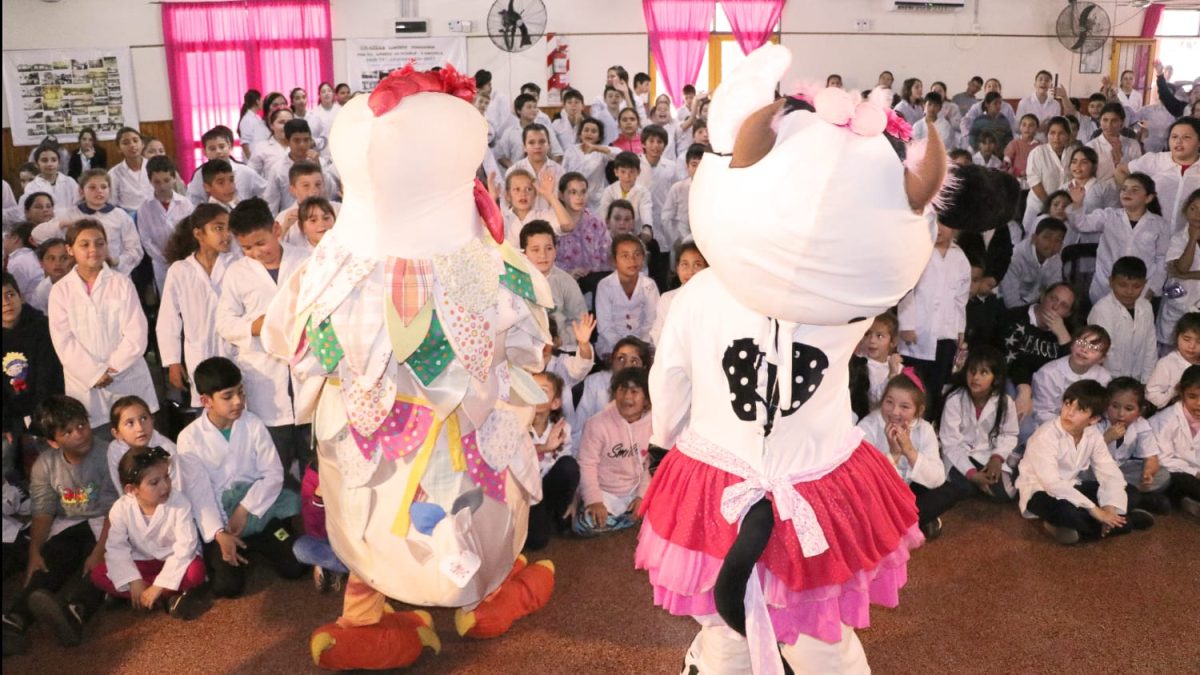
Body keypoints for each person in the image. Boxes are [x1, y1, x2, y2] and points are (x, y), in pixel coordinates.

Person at [176, 356, 303, 598]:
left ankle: (268, 535)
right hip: (222, 519)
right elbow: (199, 494)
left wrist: (244, 509)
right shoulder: (188, 438)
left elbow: (273, 474)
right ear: (205, 401)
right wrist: (219, 534)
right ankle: (236, 545)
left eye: (240, 392)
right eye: (227, 396)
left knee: (295, 567)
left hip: (259, 510)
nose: (238, 401)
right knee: (227, 588)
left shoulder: (253, 423)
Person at [1, 395, 117, 653]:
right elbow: (43, 511)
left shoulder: (108, 453)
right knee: (51, 559)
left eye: (81, 425)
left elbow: (115, 509)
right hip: (70, 524)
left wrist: (99, 551)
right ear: (53, 442)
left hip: (108, 522)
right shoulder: (45, 465)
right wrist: (34, 554)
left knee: (106, 564)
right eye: (68, 432)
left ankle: (76, 611)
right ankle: (15, 619)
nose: (80, 434)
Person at [217, 199, 311, 483]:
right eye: (246, 247)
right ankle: (282, 526)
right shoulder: (237, 272)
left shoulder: (306, 261)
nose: (255, 253)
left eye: (261, 243)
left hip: (306, 371)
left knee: (314, 467)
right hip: (265, 378)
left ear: (276, 229)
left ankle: (315, 524)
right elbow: (225, 322)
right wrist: (254, 327)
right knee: (274, 470)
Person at [47, 220, 157, 436]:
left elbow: (136, 333)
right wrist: (94, 373)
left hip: (126, 377)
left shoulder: (122, 283)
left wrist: (111, 368)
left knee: (138, 441)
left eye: (99, 243)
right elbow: (63, 341)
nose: (93, 250)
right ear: (70, 249)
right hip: (87, 385)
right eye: (84, 244)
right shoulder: (61, 291)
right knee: (99, 445)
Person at [1018, 379, 1155, 545]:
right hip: (1039, 491)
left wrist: (1108, 508)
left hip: (1072, 486)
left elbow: (1109, 472)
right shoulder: (1046, 435)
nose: (1069, 413)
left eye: (1080, 410)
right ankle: (1126, 523)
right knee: (1066, 512)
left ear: (1094, 419)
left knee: (1130, 492)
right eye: (1068, 404)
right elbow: (1052, 483)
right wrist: (1095, 510)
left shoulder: (1092, 435)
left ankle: (1079, 529)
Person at [90, 445, 209, 620]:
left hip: (172, 560)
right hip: (142, 563)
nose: (165, 486)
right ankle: (168, 597)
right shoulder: (120, 509)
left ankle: (149, 596)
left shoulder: (179, 503)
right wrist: (133, 580)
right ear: (131, 489)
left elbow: (185, 547)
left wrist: (159, 585)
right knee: (98, 574)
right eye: (154, 482)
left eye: (166, 477)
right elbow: (117, 548)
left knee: (196, 571)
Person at [158, 205, 236, 411]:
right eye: (218, 228)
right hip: (199, 352)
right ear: (199, 233)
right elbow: (168, 320)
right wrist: (173, 362)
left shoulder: (238, 264)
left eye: (228, 228)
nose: (226, 234)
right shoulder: (180, 270)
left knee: (236, 404)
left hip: (235, 351)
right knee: (206, 411)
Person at [857, 373, 948, 538]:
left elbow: (937, 478)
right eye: (889, 402)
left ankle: (904, 521)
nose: (894, 411)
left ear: (918, 411)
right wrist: (893, 455)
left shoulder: (924, 429)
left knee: (946, 490)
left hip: (909, 492)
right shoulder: (867, 426)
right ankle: (911, 521)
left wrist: (910, 451)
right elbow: (864, 480)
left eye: (905, 407)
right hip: (879, 496)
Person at [899, 221, 970, 421]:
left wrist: (959, 329)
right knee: (911, 386)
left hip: (945, 335)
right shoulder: (920, 251)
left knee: (934, 388)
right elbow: (907, 289)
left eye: (946, 224)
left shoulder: (960, 257)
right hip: (916, 332)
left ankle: (927, 428)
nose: (940, 229)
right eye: (936, 222)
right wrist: (906, 324)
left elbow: (960, 298)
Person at [1066, 173, 1168, 305]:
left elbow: (1162, 260)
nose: (1127, 192)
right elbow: (1080, 224)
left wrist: (1152, 289)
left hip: (1139, 290)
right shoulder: (1109, 215)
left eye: (1135, 190)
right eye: (1124, 189)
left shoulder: (1160, 224)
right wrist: (1077, 203)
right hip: (1105, 287)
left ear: (1148, 198)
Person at [573, 367, 652, 536]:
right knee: (583, 525)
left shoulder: (652, 424)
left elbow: (648, 465)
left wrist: (641, 496)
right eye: (622, 390)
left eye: (634, 391)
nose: (627, 397)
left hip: (635, 489)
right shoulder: (597, 424)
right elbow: (587, 464)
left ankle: (628, 517)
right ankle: (627, 520)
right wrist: (594, 501)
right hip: (606, 492)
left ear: (646, 400)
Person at [1001, 282, 1078, 424]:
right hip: (1012, 381)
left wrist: (1063, 336)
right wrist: (1025, 389)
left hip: (1046, 392)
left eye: (1064, 305)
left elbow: (1071, 371)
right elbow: (1011, 359)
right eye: (1053, 299)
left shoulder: (1067, 331)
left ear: (1068, 313)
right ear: (1043, 296)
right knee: (1025, 429)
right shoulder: (1014, 317)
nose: (1055, 307)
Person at [1, 271, 63, 442]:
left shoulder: (42, 327)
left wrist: (38, 419)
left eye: (10, 294)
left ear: (21, 297)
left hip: (46, 412)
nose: (6, 303)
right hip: (10, 415)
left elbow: (49, 378)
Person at [51, 170, 144, 276]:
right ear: (81, 192)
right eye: (92, 187)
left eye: (104, 187)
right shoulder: (70, 214)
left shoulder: (120, 215)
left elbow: (135, 250)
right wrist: (62, 224)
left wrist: (117, 261)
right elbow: (37, 235)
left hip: (114, 274)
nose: (99, 191)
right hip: (79, 273)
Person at [526, 371, 580, 550]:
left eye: (542, 390)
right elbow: (511, 458)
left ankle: (555, 516)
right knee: (536, 542)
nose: (534, 394)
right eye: (530, 388)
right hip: (525, 492)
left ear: (555, 403)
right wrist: (545, 448)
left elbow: (568, 471)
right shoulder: (516, 425)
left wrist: (573, 499)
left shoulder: (562, 429)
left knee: (569, 466)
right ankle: (541, 520)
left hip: (547, 488)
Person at [1118, 118, 1200, 233]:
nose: (1178, 141)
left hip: (1188, 240)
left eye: (1186, 137)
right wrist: (1133, 196)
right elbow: (1120, 170)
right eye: (1174, 137)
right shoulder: (1156, 160)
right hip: (1150, 235)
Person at [1100, 378, 1169, 512]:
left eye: (1129, 409)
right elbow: (1082, 455)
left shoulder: (1141, 424)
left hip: (1121, 473)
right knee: (1133, 494)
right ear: (1105, 405)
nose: (1121, 414)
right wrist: (1106, 438)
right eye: (1114, 406)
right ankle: (1134, 501)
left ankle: (1129, 499)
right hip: (1096, 474)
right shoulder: (1097, 421)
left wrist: (1148, 472)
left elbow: (1151, 457)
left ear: (1140, 411)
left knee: (1163, 475)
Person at [1087, 257, 1157, 381]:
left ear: (1144, 284)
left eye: (1136, 286)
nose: (1129, 291)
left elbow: (1150, 347)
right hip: (1108, 380)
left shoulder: (1146, 306)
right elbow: (1106, 353)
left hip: (1138, 380)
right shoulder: (1102, 310)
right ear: (1111, 281)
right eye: (1122, 285)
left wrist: (1147, 381)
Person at [1031, 325, 1113, 428]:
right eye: (1081, 343)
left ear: (1102, 358)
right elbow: (1042, 413)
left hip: (1088, 428)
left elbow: (1101, 413)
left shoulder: (1104, 378)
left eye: (1094, 348)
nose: (1084, 350)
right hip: (1052, 428)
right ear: (1072, 344)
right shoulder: (1048, 374)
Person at [521, 220, 585, 350]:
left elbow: (580, 320)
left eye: (548, 248)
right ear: (524, 254)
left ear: (556, 251)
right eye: (535, 250)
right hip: (526, 347)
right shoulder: (517, 282)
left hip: (560, 347)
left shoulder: (566, 282)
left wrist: (561, 340)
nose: (543, 255)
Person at [1147, 364, 1200, 517]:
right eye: (1192, 396)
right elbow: (1162, 459)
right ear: (1180, 392)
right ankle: (1185, 500)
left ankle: (1187, 501)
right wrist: (1195, 472)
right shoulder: (1164, 420)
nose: (1198, 403)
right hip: (1173, 472)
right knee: (1182, 481)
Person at [136, 155, 195, 292]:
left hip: (185, 258)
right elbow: (146, 240)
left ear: (174, 178)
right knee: (168, 300)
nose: (162, 186)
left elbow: (191, 232)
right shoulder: (144, 208)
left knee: (188, 295)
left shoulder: (185, 204)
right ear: (150, 181)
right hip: (161, 263)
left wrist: (182, 255)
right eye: (157, 182)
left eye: (166, 180)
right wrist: (164, 258)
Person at [595, 234, 659, 357]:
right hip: (611, 345)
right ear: (614, 260)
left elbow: (651, 321)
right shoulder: (605, 286)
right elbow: (605, 326)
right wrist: (622, 348)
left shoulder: (649, 285)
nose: (632, 260)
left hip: (643, 344)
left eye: (637, 254)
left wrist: (640, 346)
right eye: (625, 256)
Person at [104, 395, 179, 494]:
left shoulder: (168, 450)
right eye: (130, 423)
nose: (140, 428)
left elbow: (176, 490)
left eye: (143, 419)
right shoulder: (115, 450)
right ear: (117, 433)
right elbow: (123, 492)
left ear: (152, 420)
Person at [293, 462, 348, 593]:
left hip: (354, 536)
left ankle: (340, 566)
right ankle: (357, 570)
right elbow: (313, 529)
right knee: (301, 549)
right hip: (327, 535)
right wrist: (319, 497)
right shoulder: (313, 473)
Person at [263, 120, 337, 216]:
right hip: (292, 220)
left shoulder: (320, 162)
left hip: (319, 217)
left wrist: (318, 167)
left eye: (306, 140)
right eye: (297, 140)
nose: (302, 145)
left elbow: (331, 193)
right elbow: (271, 202)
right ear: (287, 141)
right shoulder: (277, 169)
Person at [553, 172, 612, 292]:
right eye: (573, 192)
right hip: (562, 284)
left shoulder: (597, 223)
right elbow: (548, 258)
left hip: (594, 283)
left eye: (583, 192)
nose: (579, 197)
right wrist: (569, 272)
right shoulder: (553, 222)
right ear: (561, 195)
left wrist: (591, 272)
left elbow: (606, 254)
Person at [186, 126, 268, 206]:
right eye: (212, 149)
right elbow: (192, 201)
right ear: (204, 152)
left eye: (222, 147)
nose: (218, 151)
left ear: (229, 146)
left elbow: (266, 191)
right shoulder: (200, 174)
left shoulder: (245, 171)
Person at [1159, 190, 1200, 348]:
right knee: (1171, 353)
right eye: (1193, 208)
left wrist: (1185, 275)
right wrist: (1192, 239)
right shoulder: (1178, 238)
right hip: (1177, 304)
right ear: (1185, 210)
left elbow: (1182, 272)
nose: (1197, 214)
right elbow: (1181, 266)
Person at [1021, 116, 1073, 234]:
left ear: (1068, 135)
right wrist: (1049, 205)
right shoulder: (1038, 152)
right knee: (1034, 239)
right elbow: (1034, 181)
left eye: (1061, 133)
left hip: (1063, 208)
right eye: (1052, 133)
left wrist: (1060, 206)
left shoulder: (1072, 153)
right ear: (1047, 135)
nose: (1056, 138)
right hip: (1039, 205)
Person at [848, 312, 904, 420]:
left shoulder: (896, 365)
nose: (872, 341)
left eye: (880, 336)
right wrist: (891, 375)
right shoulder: (859, 365)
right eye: (867, 334)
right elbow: (874, 399)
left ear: (893, 341)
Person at [650, 242, 707, 346]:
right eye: (685, 264)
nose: (690, 272)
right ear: (677, 268)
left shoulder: (714, 300)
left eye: (697, 265)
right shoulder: (667, 299)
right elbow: (658, 334)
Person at [1001, 217, 1065, 309]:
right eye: (1047, 237)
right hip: (1005, 306)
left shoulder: (1055, 257)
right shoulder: (1015, 258)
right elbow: (1011, 302)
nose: (1052, 244)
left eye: (1058, 240)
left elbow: (1054, 289)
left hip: (1035, 304)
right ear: (1034, 238)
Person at [505, 124, 566, 212]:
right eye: (531, 142)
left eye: (542, 142)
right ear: (524, 147)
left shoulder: (559, 172)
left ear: (549, 145)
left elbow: (564, 203)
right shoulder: (514, 171)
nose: (537, 146)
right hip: (522, 223)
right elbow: (507, 204)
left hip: (552, 223)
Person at [1146, 312, 1200, 408]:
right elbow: (1151, 396)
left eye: (1199, 342)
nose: (1192, 346)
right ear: (1177, 336)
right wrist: (1173, 391)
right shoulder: (1167, 364)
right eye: (1186, 339)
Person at [563, 117, 615, 211]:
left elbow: (620, 154)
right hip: (573, 199)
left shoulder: (601, 151)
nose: (589, 133)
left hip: (596, 201)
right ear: (580, 134)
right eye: (586, 130)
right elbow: (563, 173)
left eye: (594, 131)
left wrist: (596, 148)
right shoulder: (570, 150)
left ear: (599, 137)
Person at [660, 144, 704, 255]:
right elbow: (666, 218)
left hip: (706, 242)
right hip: (681, 241)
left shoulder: (716, 190)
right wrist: (676, 239)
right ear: (687, 166)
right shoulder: (678, 188)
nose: (698, 170)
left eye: (702, 166)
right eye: (694, 165)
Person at [1085, 103, 1142, 186]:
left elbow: (1138, 173)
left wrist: (1121, 158)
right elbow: (1087, 176)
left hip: (1125, 192)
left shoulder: (1132, 144)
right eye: (1105, 120)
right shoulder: (1091, 146)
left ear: (1121, 122)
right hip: (1100, 193)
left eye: (1114, 121)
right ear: (1100, 121)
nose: (1109, 125)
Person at [599, 151, 654, 234]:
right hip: (612, 235)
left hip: (635, 234)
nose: (627, 176)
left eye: (631, 172)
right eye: (623, 172)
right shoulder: (609, 191)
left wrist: (647, 227)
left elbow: (646, 211)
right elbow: (603, 214)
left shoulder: (643, 192)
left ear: (638, 172)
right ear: (616, 172)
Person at [23, 145, 79, 211]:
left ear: (59, 163)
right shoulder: (31, 187)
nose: (49, 164)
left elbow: (78, 205)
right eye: (44, 160)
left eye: (54, 160)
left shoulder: (70, 182)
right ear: (37, 164)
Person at [107, 127, 151, 212]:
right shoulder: (114, 173)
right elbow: (112, 203)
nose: (132, 145)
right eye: (126, 143)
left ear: (142, 144)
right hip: (128, 217)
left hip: (154, 213)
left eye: (135, 140)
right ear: (119, 149)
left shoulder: (153, 166)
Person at [26, 237, 71, 313]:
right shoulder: (42, 289)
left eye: (63, 258)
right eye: (51, 258)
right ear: (41, 263)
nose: (58, 263)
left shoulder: (81, 284)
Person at [247, 108, 294, 178]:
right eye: (281, 122)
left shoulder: (300, 146)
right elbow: (251, 174)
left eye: (290, 123)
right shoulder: (262, 148)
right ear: (271, 125)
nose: (286, 126)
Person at [4, 221, 42, 299]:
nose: (3, 242)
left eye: (6, 237)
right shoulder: (32, 256)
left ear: (15, 238)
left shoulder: (18, 262)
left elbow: (13, 294)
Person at [1004, 114, 1041, 186]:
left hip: (1035, 182)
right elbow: (1005, 165)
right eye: (1024, 125)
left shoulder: (1040, 146)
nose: (1027, 128)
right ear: (1020, 127)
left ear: (1037, 128)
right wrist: (1018, 172)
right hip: (1016, 181)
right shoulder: (1014, 144)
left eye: (1031, 125)